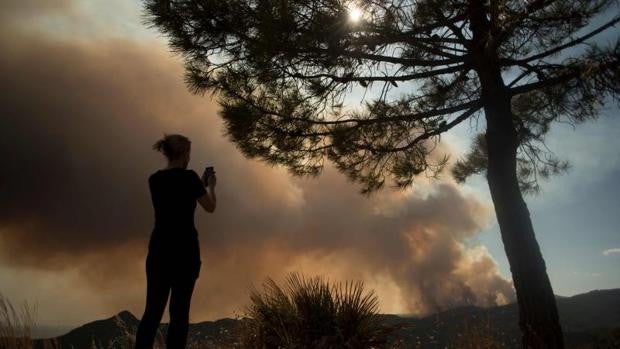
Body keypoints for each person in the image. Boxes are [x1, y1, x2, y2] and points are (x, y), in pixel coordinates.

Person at [135, 133, 217, 349]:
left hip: (159, 251)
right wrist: (211, 186)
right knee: (179, 314)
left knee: (152, 312)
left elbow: (176, 197)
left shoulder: (154, 180)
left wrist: (197, 183)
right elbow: (209, 207)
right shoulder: (190, 179)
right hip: (185, 253)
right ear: (185, 153)